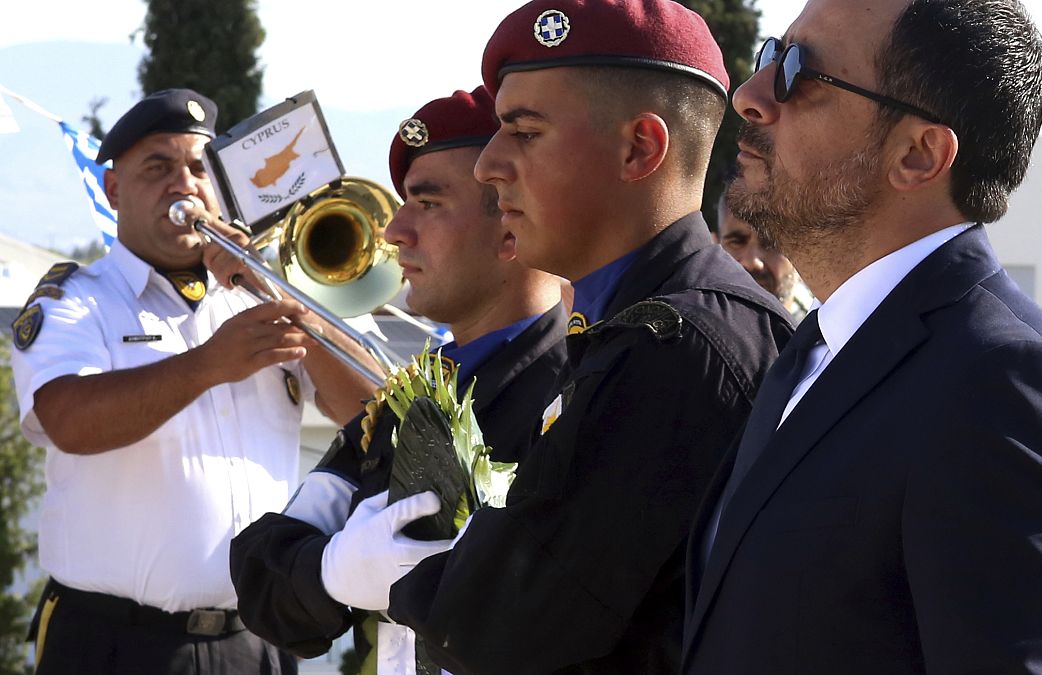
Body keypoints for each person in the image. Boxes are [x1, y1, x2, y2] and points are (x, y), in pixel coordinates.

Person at [682, 0, 1042, 672]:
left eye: (799, 71)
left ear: (919, 155)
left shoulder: (1004, 386)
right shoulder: (819, 347)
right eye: (771, 53)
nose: (749, 95)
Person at [374, 2, 795, 673]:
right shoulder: (645, 324)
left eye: (525, 132)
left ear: (639, 149)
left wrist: (411, 579)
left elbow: (494, 624)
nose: (489, 165)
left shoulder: (675, 344)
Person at [10, 89, 379, 675]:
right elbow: (68, 421)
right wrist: (208, 364)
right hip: (113, 640)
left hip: (257, 634)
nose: (184, 185)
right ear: (112, 191)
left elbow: (373, 410)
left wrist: (286, 299)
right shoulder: (77, 302)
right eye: (158, 168)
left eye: (199, 169)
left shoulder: (263, 297)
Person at [228, 87, 568, 673]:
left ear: (511, 225)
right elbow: (263, 579)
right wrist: (331, 572)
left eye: (428, 204)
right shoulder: (407, 398)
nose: (394, 232)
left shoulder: (582, 388)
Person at [716, 185, 813, 319]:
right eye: (737, 242)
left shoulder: (831, 336)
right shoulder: (688, 331)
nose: (753, 262)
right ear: (714, 245)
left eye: (771, 243)